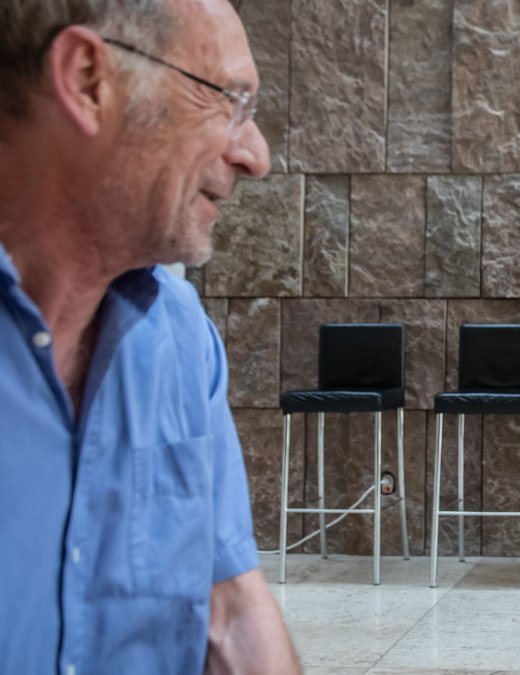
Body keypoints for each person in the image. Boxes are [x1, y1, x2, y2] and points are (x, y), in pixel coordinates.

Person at [0, 0, 301, 672]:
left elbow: (230, 615)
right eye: (229, 99)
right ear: (86, 80)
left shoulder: (180, 335)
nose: (256, 155)